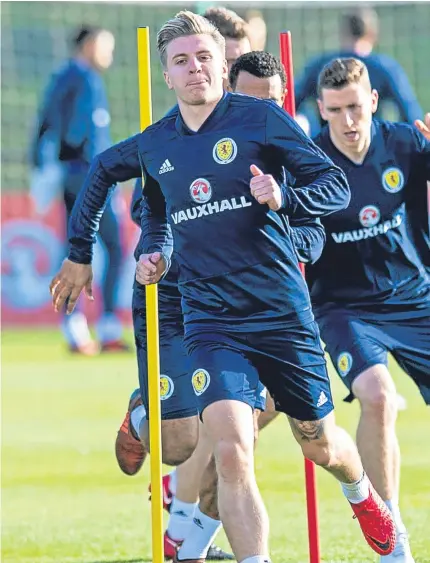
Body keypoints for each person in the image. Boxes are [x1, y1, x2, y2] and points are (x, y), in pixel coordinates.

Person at [49, 12, 396, 563]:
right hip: (209, 317)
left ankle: (362, 495)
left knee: (320, 443)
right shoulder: (158, 142)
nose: (195, 70)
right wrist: (87, 254)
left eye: (204, 57)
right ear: (166, 74)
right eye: (181, 61)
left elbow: (331, 185)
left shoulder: (262, 120)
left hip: (280, 314)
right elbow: (121, 186)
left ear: (222, 64)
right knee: (229, 451)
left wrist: (285, 204)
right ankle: (215, 539)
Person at [115, 50, 325, 561]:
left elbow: (315, 233)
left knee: (248, 429)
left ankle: (188, 531)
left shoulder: (285, 141)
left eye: (272, 102)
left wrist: (276, 241)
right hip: (192, 299)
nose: (262, 111)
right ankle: (159, 445)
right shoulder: (179, 133)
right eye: (253, 99)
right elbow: (148, 206)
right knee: (212, 434)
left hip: (269, 302)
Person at [307, 57, 430, 563]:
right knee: (377, 397)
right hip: (343, 308)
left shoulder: (406, 141)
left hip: (412, 296)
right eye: (336, 111)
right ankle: (391, 535)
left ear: (373, 101)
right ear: (321, 110)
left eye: (356, 107)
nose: (349, 121)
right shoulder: (308, 161)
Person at [30, 24, 128, 354]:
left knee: (77, 249)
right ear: (88, 45)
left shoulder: (62, 77)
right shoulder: (85, 79)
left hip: (71, 174)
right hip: (88, 175)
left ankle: (75, 331)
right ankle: (109, 328)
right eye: (106, 46)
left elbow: (43, 122)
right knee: (114, 247)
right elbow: (75, 132)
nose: (109, 54)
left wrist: (43, 163)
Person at [295, 7, 423, 135]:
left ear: (343, 33)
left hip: (326, 147)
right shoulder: (385, 68)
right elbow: (410, 114)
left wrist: (310, 127)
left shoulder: (319, 65)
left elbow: (292, 103)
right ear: (373, 34)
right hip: (370, 145)